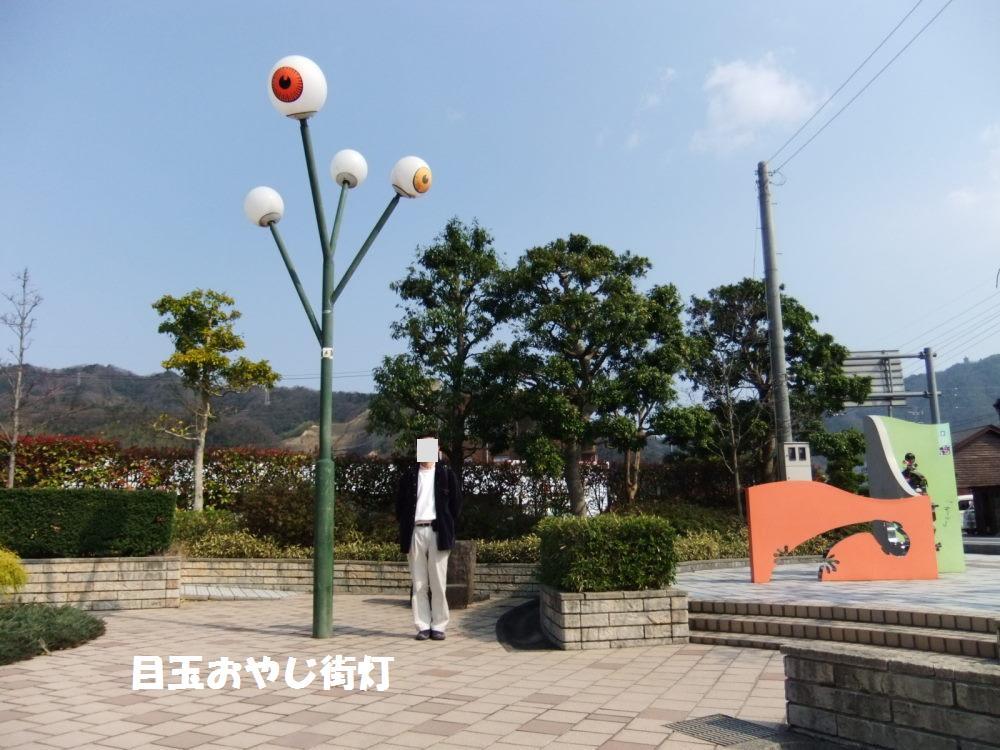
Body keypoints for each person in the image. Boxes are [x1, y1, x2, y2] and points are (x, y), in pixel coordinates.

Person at [394, 436, 462, 641]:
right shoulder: (409, 475)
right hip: (415, 531)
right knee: (419, 583)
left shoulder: (446, 474)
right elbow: (400, 505)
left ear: (437, 449)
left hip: (438, 531)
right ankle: (422, 625)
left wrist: (446, 523)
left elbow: (456, 505)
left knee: (439, 582)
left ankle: (439, 625)